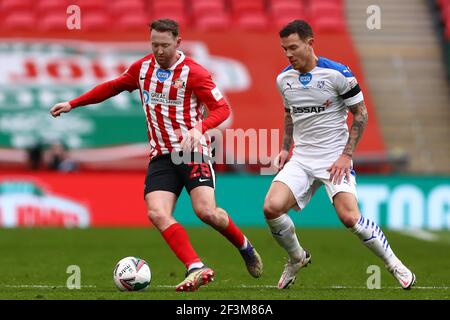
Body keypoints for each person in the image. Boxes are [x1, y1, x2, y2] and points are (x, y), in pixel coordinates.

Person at [50, 19, 262, 292]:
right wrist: (72, 103)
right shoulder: (142, 68)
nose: (159, 50)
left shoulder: (194, 72)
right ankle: (196, 267)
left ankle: (244, 246)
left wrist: (200, 127)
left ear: (178, 42)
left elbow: (221, 109)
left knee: (206, 212)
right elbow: (113, 86)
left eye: (164, 45)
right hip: (161, 155)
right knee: (157, 212)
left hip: (192, 152)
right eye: (154, 44)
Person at [263, 20, 415, 290]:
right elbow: (289, 114)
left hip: (334, 157)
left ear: (310, 43)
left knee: (350, 218)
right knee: (271, 208)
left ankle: (394, 264)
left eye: (293, 47)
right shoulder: (283, 79)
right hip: (301, 158)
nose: (288, 54)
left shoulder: (338, 74)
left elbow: (361, 114)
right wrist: (286, 148)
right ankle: (297, 257)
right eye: (284, 49)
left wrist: (346, 156)